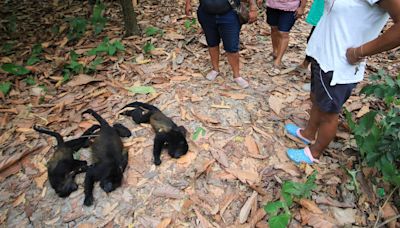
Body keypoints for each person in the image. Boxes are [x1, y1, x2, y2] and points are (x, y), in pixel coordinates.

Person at [284, 0, 400, 164]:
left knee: (328, 113)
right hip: (322, 52)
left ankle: (314, 152)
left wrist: (360, 52)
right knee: (316, 98)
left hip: (339, 63)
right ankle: (308, 133)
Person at [185, 0, 258, 88]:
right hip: (206, 14)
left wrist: (253, 8)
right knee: (212, 42)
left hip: (229, 14)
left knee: (232, 47)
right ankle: (215, 69)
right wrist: (188, 3)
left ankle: (237, 75)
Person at [264, 0, 307, 75]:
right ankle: (275, 52)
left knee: (283, 33)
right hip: (272, 5)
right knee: (274, 28)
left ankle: (278, 61)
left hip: (290, 7)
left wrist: (302, 7)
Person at [296, 0, 324, 75]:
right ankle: (306, 64)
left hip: (336, 16)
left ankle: (316, 71)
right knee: (313, 39)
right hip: (322, 11)